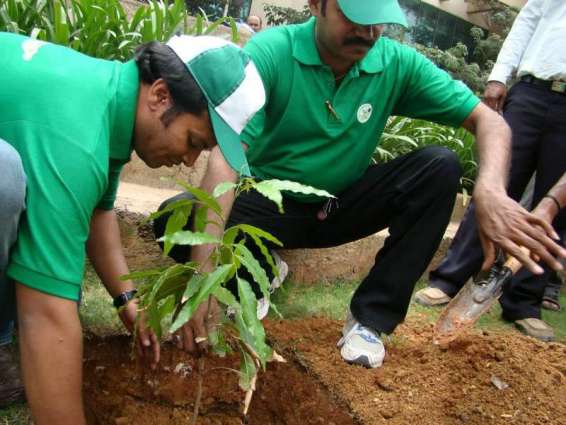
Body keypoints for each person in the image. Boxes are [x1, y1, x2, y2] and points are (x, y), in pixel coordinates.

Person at [154, 0, 566, 369]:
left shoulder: (394, 63)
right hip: (267, 207)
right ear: (316, 4)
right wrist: (201, 281)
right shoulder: (272, 53)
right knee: (174, 219)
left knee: (439, 166)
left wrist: (490, 188)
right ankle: (259, 267)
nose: (368, 32)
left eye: (377, 21)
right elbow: (225, 163)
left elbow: (490, 121)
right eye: (354, 17)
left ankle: (370, 320)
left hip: (340, 205)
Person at [0, 33, 265, 423]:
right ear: (160, 95)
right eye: (193, 141)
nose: (189, 160)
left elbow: (99, 211)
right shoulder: (77, 135)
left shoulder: (104, 100)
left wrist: (128, 302)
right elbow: (45, 312)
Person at [415, 0, 566, 341]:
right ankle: (450, 279)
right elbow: (527, 21)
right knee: (495, 184)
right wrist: (499, 75)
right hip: (533, 88)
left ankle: (524, 302)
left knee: (555, 211)